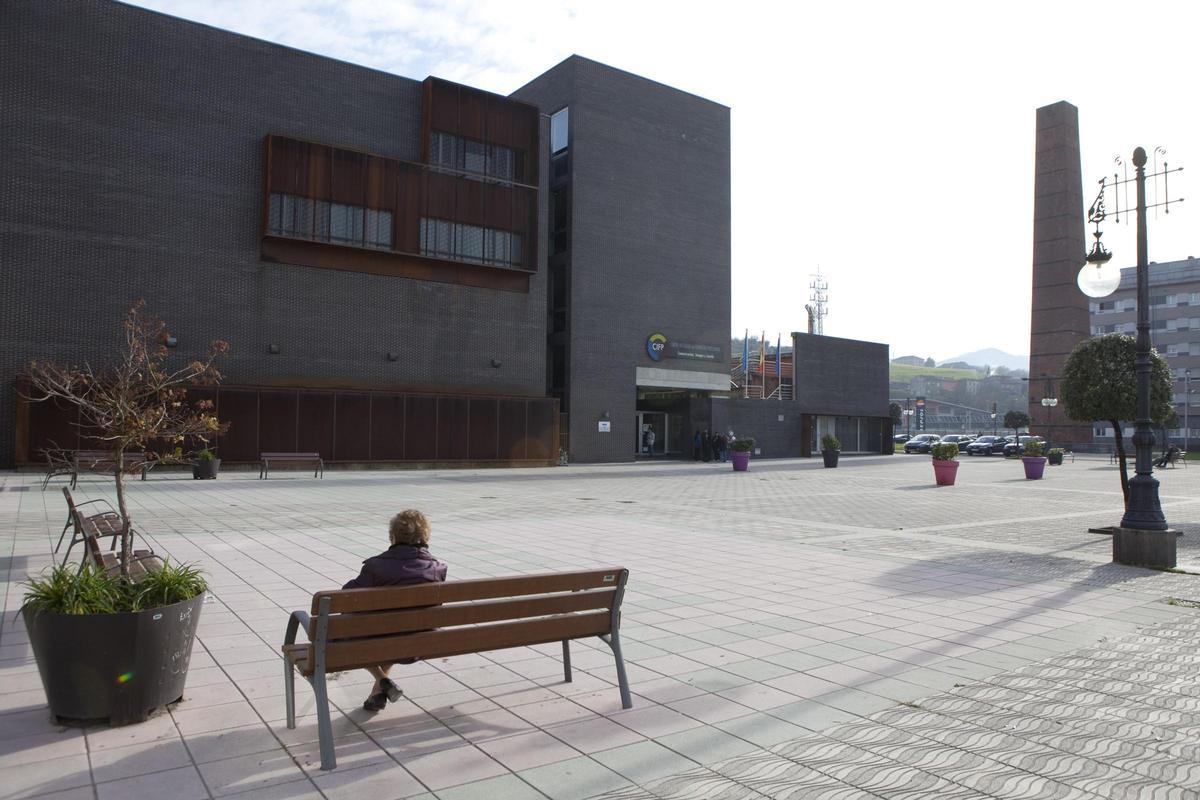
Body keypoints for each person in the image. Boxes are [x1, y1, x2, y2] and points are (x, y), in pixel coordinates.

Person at [342, 510, 447, 712]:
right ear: (425, 536)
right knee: (397, 630)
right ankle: (378, 691)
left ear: (393, 536)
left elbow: (347, 597)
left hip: (380, 639)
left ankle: (381, 679)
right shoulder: (437, 568)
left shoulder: (375, 566)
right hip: (420, 640)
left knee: (349, 627)